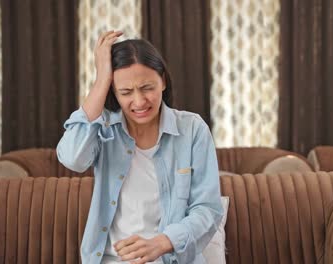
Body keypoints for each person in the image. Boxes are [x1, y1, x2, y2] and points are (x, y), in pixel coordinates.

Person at [57, 30, 223, 264]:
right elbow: (72, 158)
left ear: (163, 81)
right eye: (125, 92)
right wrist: (101, 80)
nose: (139, 102)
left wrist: (163, 242)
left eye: (147, 88)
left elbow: (207, 209)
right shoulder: (104, 128)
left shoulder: (192, 129)